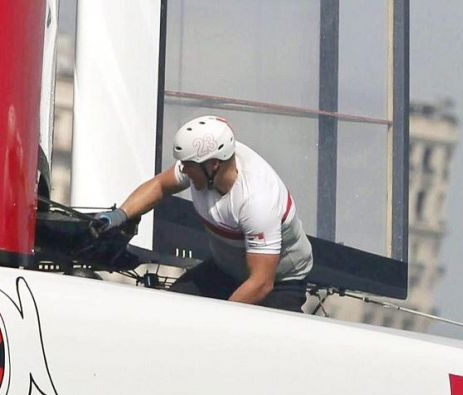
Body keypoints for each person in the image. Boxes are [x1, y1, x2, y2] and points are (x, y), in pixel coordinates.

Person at [90, 115, 314, 311]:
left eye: (189, 165)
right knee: (172, 311)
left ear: (214, 165)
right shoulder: (201, 164)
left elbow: (261, 283)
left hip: (279, 281)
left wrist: (214, 320)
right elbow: (160, 186)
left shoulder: (257, 202)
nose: (183, 170)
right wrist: (120, 215)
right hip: (227, 268)